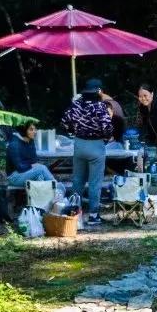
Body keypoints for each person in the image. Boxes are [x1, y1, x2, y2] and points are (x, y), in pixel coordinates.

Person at [61, 79, 114, 226]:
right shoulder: (100, 107)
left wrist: (73, 131)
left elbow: (65, 121)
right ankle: (93, 216)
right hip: (96, 146)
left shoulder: (77, 105)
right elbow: (107, 127)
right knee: (95, 183)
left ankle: (74, 214)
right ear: (98, 91)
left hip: (78, 144)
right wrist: (106, 138)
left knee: (77, 180)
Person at [4, 121, 54, 187]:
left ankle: (48, 196)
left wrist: (33, 165)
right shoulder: (14, 144)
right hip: (14, 177)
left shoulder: (30, 141)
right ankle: (57, 190)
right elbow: (20, 167)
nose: (35, 132)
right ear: (24, 130)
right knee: (42, 168)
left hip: (26, 172)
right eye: (31, 129)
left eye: (35, 129)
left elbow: (34, 160)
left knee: (40, 177)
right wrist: (32, 166)